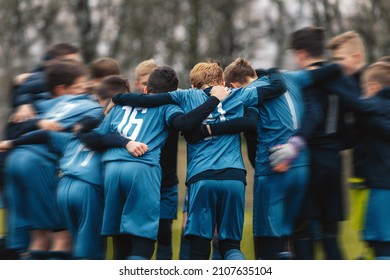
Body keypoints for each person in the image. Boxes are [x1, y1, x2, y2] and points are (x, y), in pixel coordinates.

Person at [110, 61, 287, 260]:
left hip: (201, 178)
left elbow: (150, 100)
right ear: (221, 81)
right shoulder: (239, 94)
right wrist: (272, 72)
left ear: (193, 84)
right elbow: (277, 88)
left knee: (199, 250)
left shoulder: (185, 96)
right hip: (234, 178)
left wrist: (118, 98)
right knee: (230, 247)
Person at [184, 57, 342, 260]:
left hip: (272, 167)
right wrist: (339, 64)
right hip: (301, 165)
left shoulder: (247, 93)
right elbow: (324, 73)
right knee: (292, 236)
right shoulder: (290, 77)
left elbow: (250, 132)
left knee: (267, 243)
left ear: (231, 85)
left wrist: (206, 129)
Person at [96, 66, 231, 260]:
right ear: (173, 93)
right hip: (142, 168)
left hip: (111, 169)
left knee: (120, 237)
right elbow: (185, 123)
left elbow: (98, 138)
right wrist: (213, 100)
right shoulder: (168, 106)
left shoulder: (120, 105)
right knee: (144, 239)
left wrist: (124, 141)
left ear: (145, 89)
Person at [0, 76, 131, 260]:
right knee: (85, 253)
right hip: (88, 190)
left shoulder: (80, 130)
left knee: (61, 241)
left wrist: (12, 143)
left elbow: (46, 135)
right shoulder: (117, 130)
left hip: (64, 188)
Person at [271, 26, 351, 260]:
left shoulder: (305, 81)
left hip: (309, 163)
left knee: (303, 239)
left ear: (301, 53)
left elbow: (312, 114)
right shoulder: (338, 79)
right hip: (335, 163)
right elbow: (349, 124)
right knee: (331, 239)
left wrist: (294, 145)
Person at [326, 30, 370, 259]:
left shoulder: (371, 84)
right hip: (357, 173)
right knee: (365, 234)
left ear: (357, 57)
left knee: (376, 237)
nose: (337, 66)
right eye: (335, 61)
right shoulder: (340, 87)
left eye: (341, 60)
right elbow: (346, 135)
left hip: (379, 174)